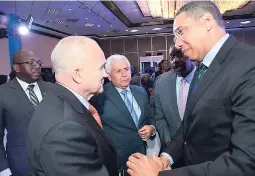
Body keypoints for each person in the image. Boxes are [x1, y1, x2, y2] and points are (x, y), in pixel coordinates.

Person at [127, 1, 255, 176]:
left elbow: (245, 163)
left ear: (207, 22)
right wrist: (166, 158)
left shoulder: (248, 64)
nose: (178, 44)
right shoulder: (202, 69)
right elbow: (188, 127)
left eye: (180, 32)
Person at [27, 36, 118, 176]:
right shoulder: (64, 129)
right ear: (78, 75)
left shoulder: (60, 101)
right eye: (101, 68)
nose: (105, 74)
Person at [91, 54, 155, 175]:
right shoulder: (99, 97)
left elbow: (150, 118)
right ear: (109, 76)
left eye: (126, 69)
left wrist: (151, 129)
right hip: (117, 162)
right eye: (118, 71)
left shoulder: (141, 92)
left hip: (142, 158)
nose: (124, 74)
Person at [0, 49, 53, 176]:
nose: (37, 66)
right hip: (22, 165)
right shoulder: (2, 93)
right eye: (31, 62)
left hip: (54, 161)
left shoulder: (52, 89)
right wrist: (3, 168)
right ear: (17, 67)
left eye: (38, 63)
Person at [154, 45, 195, 158]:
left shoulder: (206, 78)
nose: (175, 61)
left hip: (202, 152)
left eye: (180, 56)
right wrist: (168, 141)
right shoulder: (161, 82)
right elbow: (159, 117)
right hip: (172, 153)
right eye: (172, 57)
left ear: (191, 55)